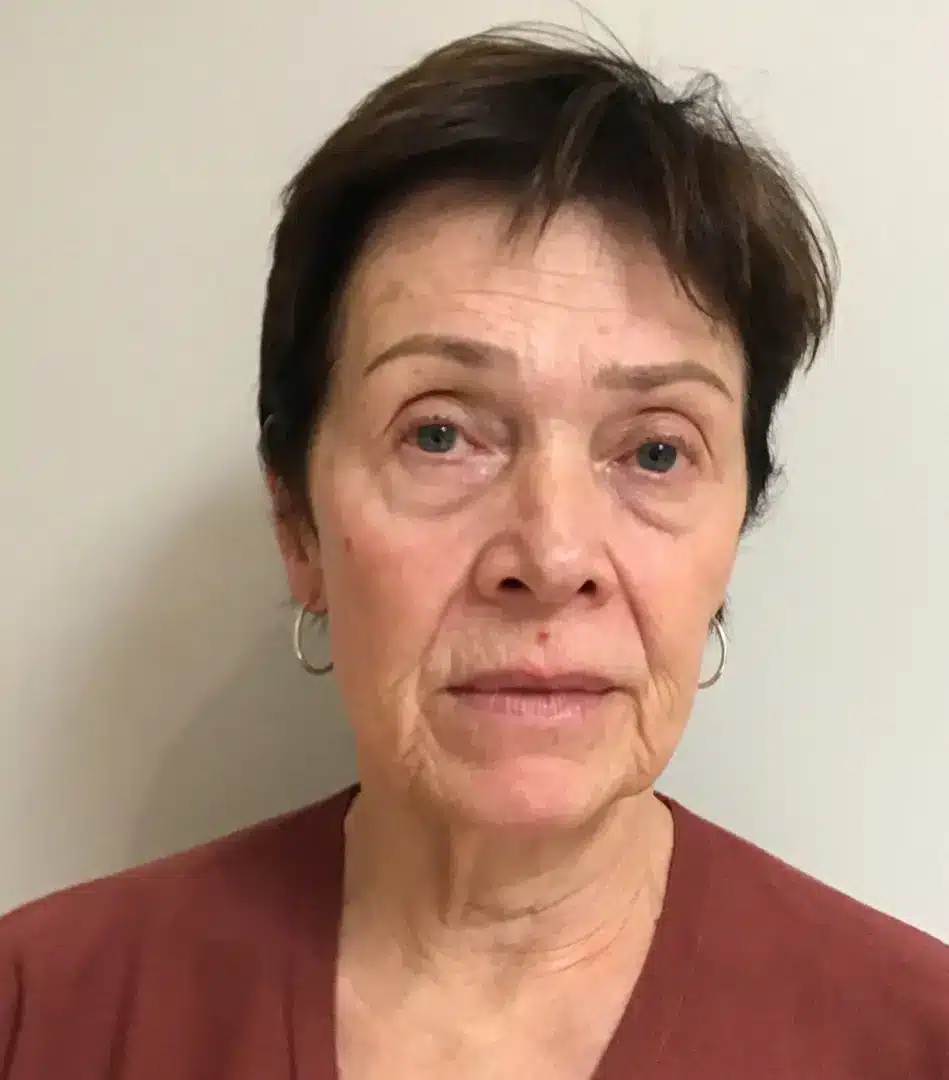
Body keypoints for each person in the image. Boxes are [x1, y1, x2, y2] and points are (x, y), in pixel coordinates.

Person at [2, 23, 947, 1080]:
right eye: (440, 432)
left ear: (729, 539)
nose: (549, 556)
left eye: (653, 448)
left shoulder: (914, 1040)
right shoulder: (40, 1018)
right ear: (297, 528)